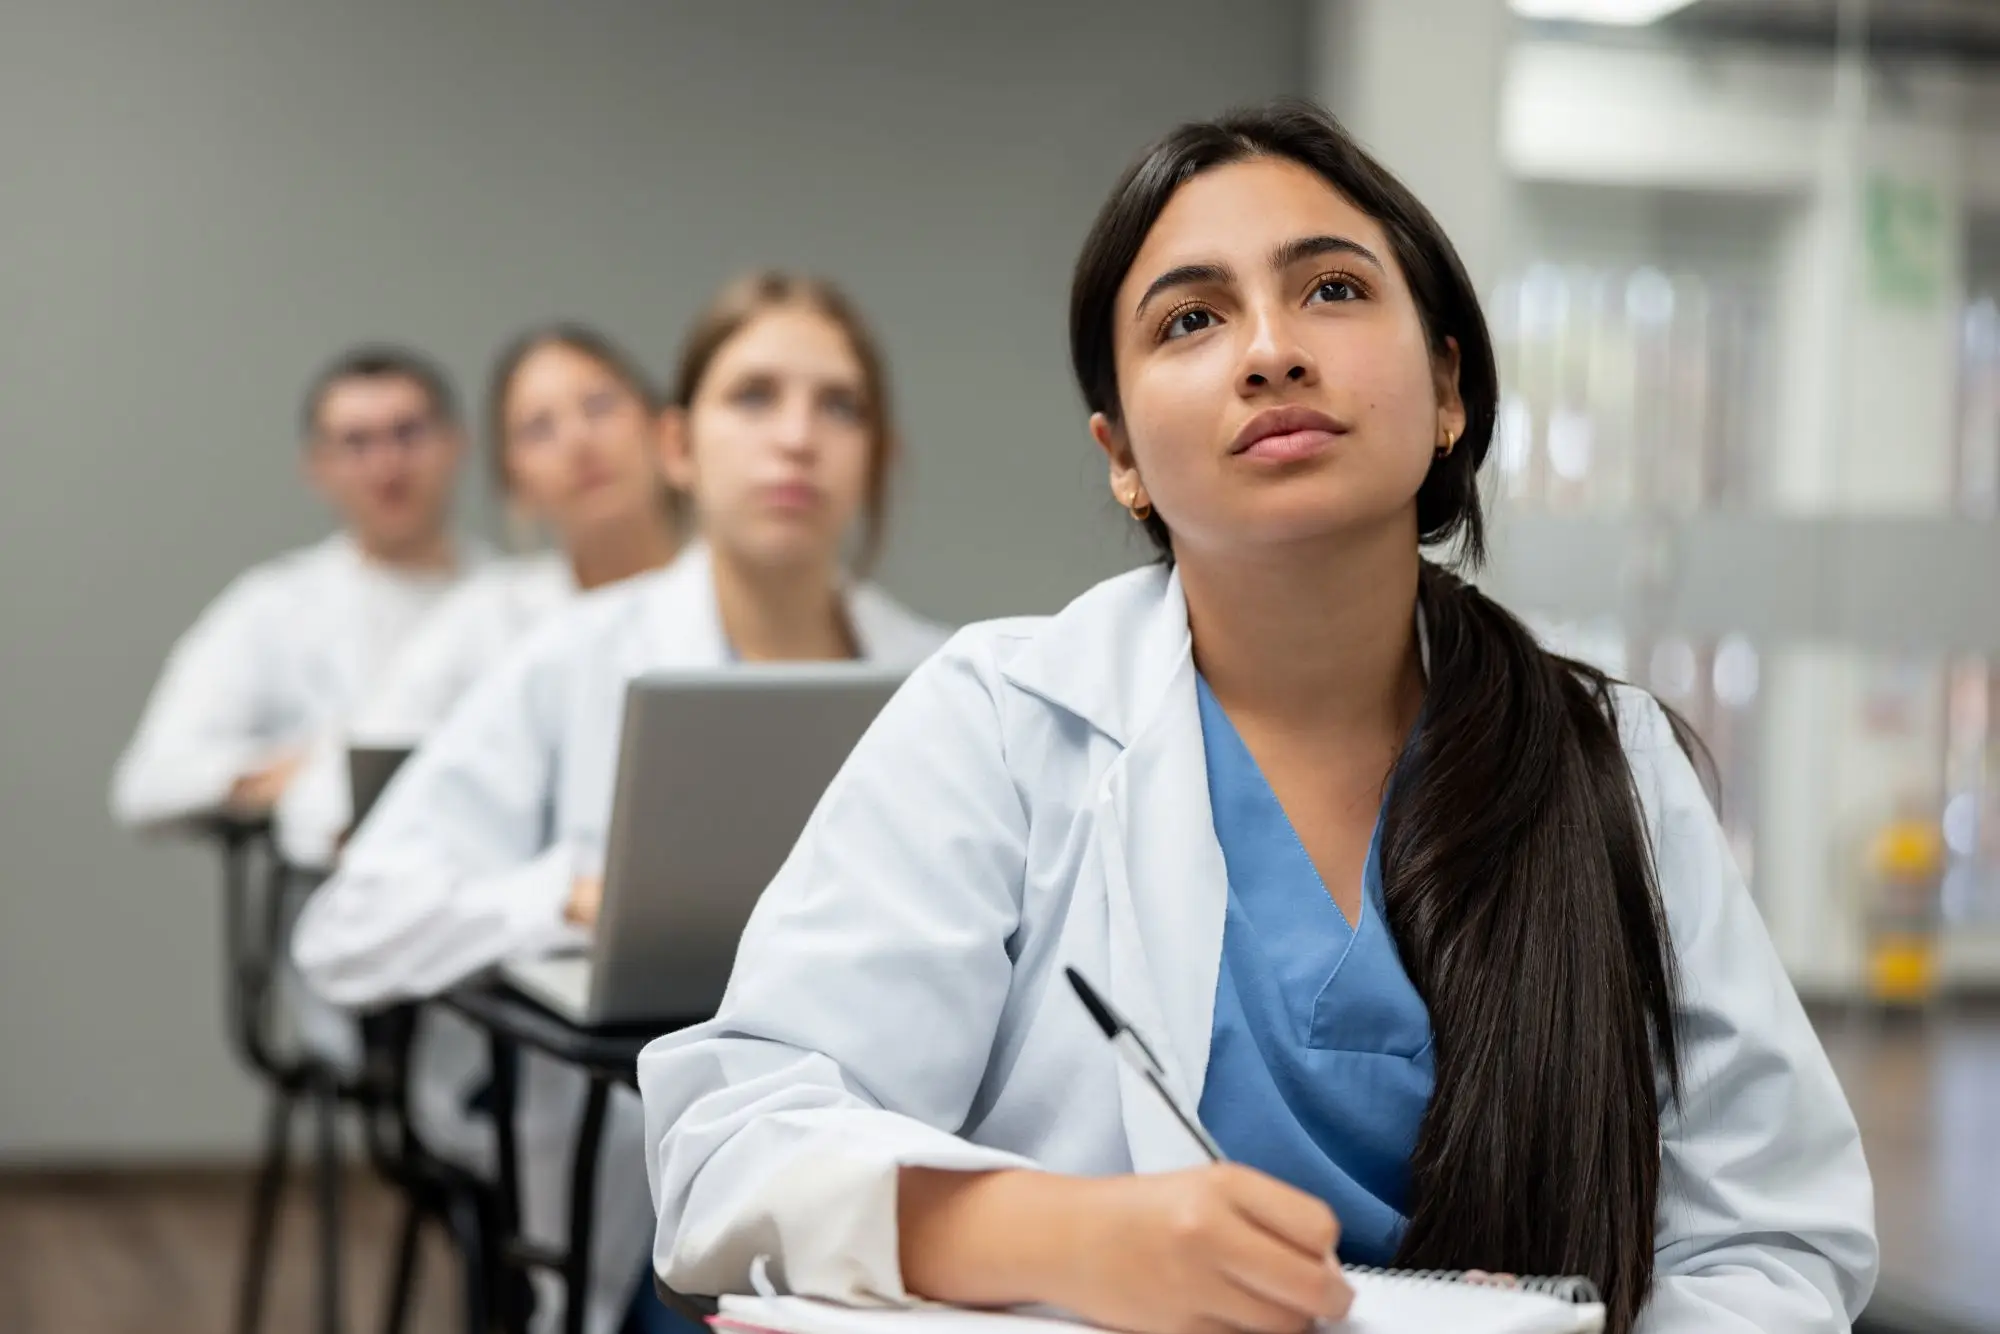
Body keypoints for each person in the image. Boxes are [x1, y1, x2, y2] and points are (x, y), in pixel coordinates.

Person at [635, 103, 1878, 1334]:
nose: (1270, 351)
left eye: (1331, 290)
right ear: (1120, 453)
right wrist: (1066, 1237)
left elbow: (1769, 1230)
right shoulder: (1004, 726)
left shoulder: (1610, 760)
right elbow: (730, 1142)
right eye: (1189, 318)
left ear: (1446, 384)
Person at [292, 273, 950, 1334]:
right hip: (657, 1203)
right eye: (754, 397)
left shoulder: (949, 681)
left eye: (839, 405)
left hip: (902, 1185)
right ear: (678, 446)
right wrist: (572, 895)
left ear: (876, 454)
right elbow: (346, 928)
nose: (797, 437)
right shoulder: (574, 656)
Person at [276, 324, 681, 868]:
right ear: (513, 483)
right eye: (539, 428)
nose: (579, 441)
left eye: (600, 405)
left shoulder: (754, 594)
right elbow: (325, 802)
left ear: (669, 434)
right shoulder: (491, 619)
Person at [111, 346, 481, 832]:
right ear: (316, 466)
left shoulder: (515, 601)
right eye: (356, 442)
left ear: (455, 444)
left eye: (407, 434)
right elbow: (149, 783)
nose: (387, 464)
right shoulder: (273, 609)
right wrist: (305, 779)